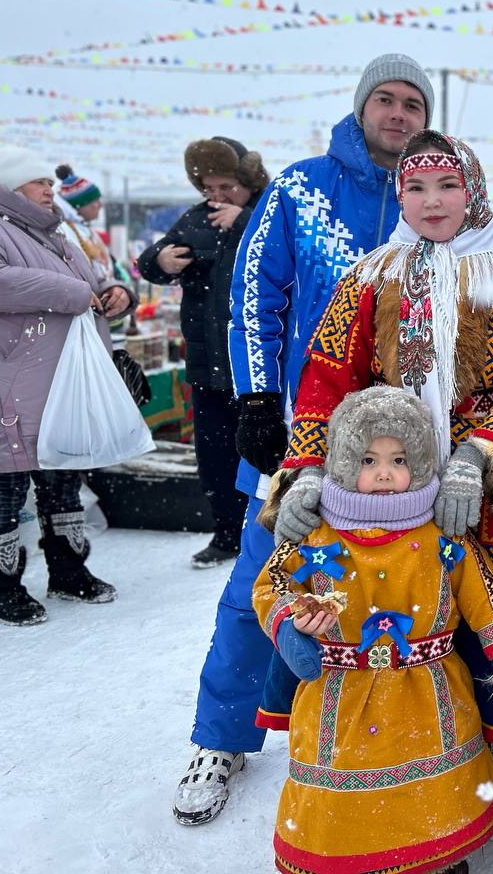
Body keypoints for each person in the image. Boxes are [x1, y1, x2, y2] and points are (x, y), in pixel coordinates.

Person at [274, 129, 493, 838]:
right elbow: (325, 379)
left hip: (486, 490)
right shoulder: (370, 275)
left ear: (473, 189)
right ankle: (399, 762)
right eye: (415, 187)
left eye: (446, 185)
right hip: (383, 482)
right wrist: (309, 466)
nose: (432, 201)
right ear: (398, 194)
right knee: (397, 616)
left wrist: (480, 452)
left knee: (487, 617)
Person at [173, 53, 435, 826]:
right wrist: (258, 398)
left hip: (405, 447)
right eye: (384, 100)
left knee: (417, 585)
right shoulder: (298, 187)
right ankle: (220, 737)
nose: (397, 114)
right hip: (303, 433)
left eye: (411, 104)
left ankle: (427, 741)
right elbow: (255, 298)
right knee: (262, 578)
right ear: (361, 108)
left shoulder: (435, 197)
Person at [253, 385, 493, 874]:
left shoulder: (439, 534)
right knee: (345, 798)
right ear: (344, 464)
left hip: (427, 691)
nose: (385, 473)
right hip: (341, 692)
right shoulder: (318, 533)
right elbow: (272, 583)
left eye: (399, 459)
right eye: (368, 460)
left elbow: (483, 593)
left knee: (435, 797)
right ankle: (344, 853)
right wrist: (289, 626)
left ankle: (438, 856)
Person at [0, 148, 135, 625]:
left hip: (58, 382)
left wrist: (115, 293)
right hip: (5, 383)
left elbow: (91, 281)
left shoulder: (52, 234)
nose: (49, 190)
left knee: (63, 478)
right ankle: (0, 589)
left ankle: (69, 571)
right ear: (9, 187)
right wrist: (71, 294)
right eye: (37, 181)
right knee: (1, 488)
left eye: (48, 181)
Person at [137, 138, 270, 568]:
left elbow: (287, 254)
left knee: (261, 449)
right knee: (213, 455)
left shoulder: (270, 211)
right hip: (206, 362)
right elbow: (148, 262)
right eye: (210, 187)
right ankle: (226, 533)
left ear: (248, 181)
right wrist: (163, 260)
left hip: (254, 360)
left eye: (227, 186)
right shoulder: (196, 219)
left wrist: (245, 220)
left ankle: (265, 531)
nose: (217, 196)